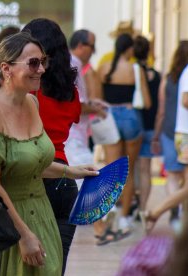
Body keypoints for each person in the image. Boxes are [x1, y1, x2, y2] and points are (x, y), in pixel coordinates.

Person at [0, 31, 99, 276]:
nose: (42, 69)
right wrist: (23, 235)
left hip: (43, 213)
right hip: (11, 220)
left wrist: (72, 171)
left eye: (43, 61)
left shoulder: (32, 102)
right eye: (33, 63)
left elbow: (32, 163)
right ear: (6, 69)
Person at [21, 18, 81, 274]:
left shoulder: (27, 92)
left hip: (33, 178)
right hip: (64, 179)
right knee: (56, 268)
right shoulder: (71, 91)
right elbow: (74, 117)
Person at [97, 33, 151, 238]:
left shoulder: (104, 68)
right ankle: (125, 217)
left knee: (111, 170)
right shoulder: (135, 69)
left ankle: (109, 209)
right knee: (128, 170)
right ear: (130, 49)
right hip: (130, 118)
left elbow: (99, 100)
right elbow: (146, 102)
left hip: (109, 117)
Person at [65, 29, 114, 246]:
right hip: (72, 136)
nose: (93, 52)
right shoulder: (73, 65)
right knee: (93, 177)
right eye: (92, 47)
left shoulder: (72, 64)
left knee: (84, 179)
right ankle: (99, 229)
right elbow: (76, 106)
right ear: (81, 45)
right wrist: (95, 108)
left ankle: (98, 227)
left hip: (73, 135)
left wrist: (93, 105)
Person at [143, 45, 188, 233]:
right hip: (183, 133)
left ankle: (173, 214)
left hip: (172, 131)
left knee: (176, 177)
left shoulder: (168, 79)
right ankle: (160, 211)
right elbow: (185, 101)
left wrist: (157, 134)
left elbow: (162, 111)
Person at [133, 35, 161, 219]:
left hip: (134, 123)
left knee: (132, 167)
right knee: (145, 169)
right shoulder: (156, 75)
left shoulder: (131, 72)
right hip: (150, 125)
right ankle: (142, 208)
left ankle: (131, 203)